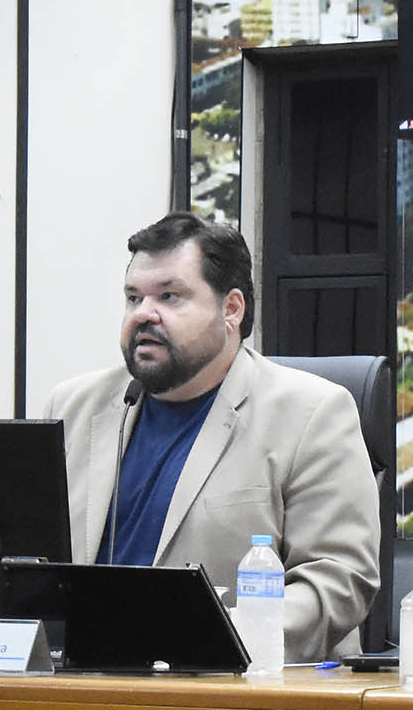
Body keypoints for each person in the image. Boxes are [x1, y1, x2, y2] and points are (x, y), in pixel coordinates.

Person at [43, 212, 380, 667]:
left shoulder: (312, 412)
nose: (144, 313)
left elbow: (339, 582)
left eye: (170, 296)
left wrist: (207, 637)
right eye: (133, 297)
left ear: (232, 309)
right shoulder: (72, 407)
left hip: (232, 696)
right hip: (77, 686)